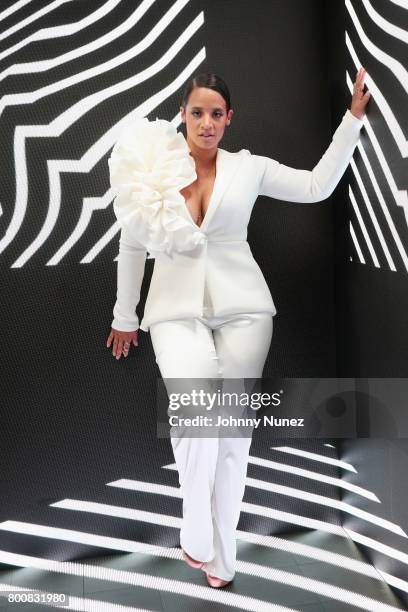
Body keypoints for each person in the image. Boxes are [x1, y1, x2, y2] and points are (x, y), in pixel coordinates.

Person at [106, 70, 370, 587]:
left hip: (246, 309)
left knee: (232, 432)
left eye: (217, 114)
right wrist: (124, 315)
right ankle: (196, 526)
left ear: (230, 119)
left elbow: (317, 186)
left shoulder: (249, 169)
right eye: (197, 112)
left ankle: (221, 559)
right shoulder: (154, 166)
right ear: (182, 114)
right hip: (173, 311)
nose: (206, 123)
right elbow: (133, 245)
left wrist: (353, 120)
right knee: (196, 411)